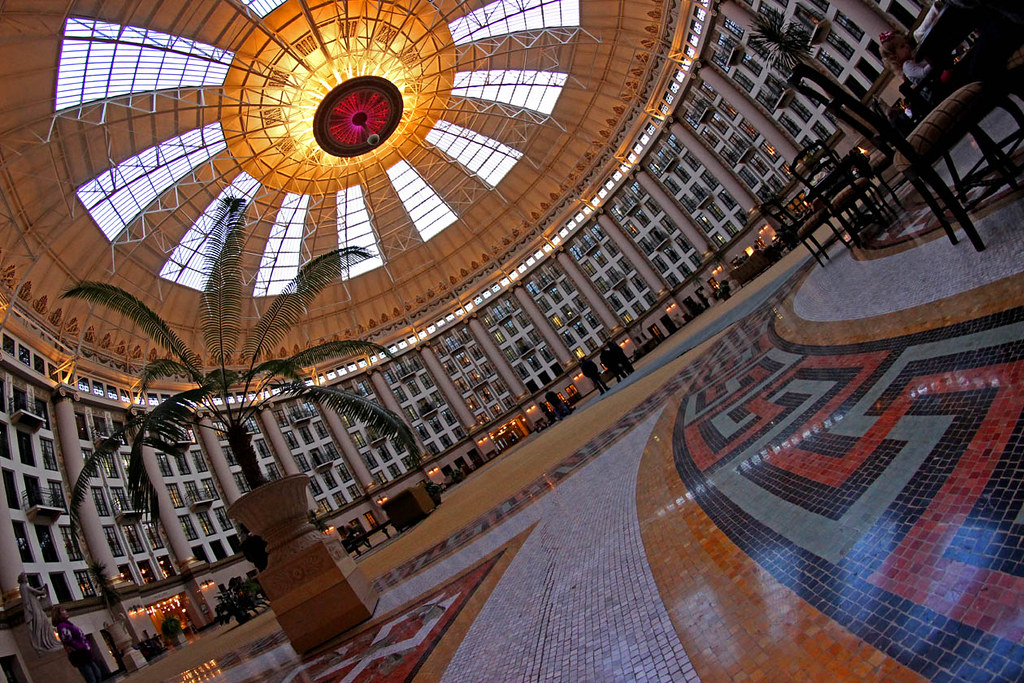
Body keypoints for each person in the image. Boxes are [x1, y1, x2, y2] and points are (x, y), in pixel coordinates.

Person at [52, 606, 103, 683]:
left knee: (97, 674)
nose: (66, 611)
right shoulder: (62, 626)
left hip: (85, 653)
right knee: (91, 678)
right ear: (58, 615)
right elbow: (68, 639)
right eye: (63, 610)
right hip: (80, 655)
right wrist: (80, 648)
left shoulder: (69, 624)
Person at [19, 573, 61, 652]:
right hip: (35, 609)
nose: (27, 578)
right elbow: (38, 592)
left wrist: (41, 588)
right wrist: (44, 590)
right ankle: (42, 644)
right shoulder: (25, 586)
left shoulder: (22, 587)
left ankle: (40, 644)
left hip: (34, 608)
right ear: (23, 579)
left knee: (39, 626)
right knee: (40, 625)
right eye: (25, 577)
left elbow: (33, 590)